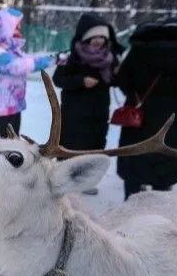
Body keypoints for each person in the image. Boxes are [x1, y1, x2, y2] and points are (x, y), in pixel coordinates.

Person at [115, 17, 177, 201]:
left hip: (139, 114)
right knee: (165, 164)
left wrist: (133, 94)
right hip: (173, 116)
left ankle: (129, 210)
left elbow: (121, 78)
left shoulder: (140, 47)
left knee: (134, 161)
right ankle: (159, 214)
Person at [52, 14, 124, 195]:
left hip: (97, 111)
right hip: (73, 111)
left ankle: (87, 182)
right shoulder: (71, 56)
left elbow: (116, 81)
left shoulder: (111, 58)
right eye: (95, 36)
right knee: (70, 144)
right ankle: (64, 179)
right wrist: (81, 80)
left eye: (103, 37)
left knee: (95, 144)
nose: (99, 41)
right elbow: (59, 79)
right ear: (85, 37)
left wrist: (117, 73)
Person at [0, 7, 55, 137]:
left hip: (13, 109)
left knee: (14, 148)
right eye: (16, 27)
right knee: (1, 150)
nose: (19, 30)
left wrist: (55, 58)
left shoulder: (13, 52)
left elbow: (30, 59)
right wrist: (53, 60)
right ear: (5, 28)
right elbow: (21, 66)